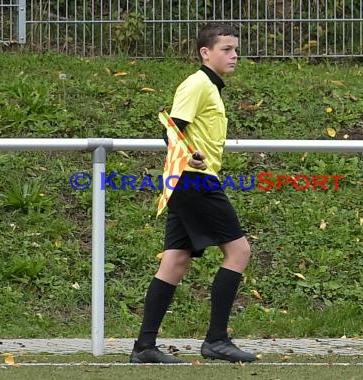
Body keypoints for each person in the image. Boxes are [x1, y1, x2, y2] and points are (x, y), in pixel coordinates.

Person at [129, 23, 258, 364]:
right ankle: (216, 340)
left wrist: (188, 151)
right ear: (205, 53)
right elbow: (171, 128)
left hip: (187, 181)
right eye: (226, 49)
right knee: (239, 251)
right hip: (194, 181)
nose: (234, 55)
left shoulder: (211, 87)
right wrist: (189, 154)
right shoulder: (198, 83)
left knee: (175, 260)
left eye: (236, 49)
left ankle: (144, 348)